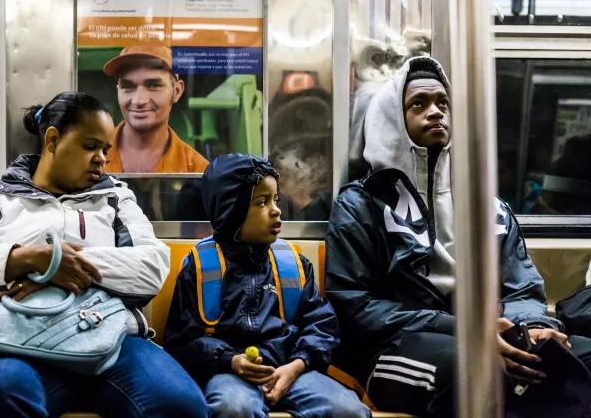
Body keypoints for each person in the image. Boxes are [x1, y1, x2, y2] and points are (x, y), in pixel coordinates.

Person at [325, 56, 590, 417]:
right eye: (418, 103)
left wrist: (534, 326)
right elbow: (355, 308)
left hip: (490, 333)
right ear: (392, 120)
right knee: (478, 371)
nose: (435, 112)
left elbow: (522, 288)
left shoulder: (487, 207)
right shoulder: (362, 206)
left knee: (578, 354)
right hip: (395, 346)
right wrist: (464, 329)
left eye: (442, 103)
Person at [0, 91, 208, 418]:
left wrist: (61, 266)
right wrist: (34, 258)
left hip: (114, 342)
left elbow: (151, 267)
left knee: (180, 404)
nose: (102, 159)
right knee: (1, 392)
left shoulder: (116, 198)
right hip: (19, 344)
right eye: (90, 146)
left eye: (106, 150)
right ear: (52, 140)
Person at [164, 154, 370, 418]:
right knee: (233, 408)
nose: (276, 210)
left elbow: (321, 325)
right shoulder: (200, 268)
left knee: (348, 410)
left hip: (292, 367)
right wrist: (229, 360)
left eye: (276, 200)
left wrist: (298, 364)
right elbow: (182, 340)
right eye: (262, 202)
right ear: (230, 211)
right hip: (229, 372)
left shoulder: (293, 264)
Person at [102, 44, 209, 173]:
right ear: (118, 90)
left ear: (176, 91)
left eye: (153, 86)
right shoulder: (86, 158)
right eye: (127, 86)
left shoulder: (197, 170)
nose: (138, 101)